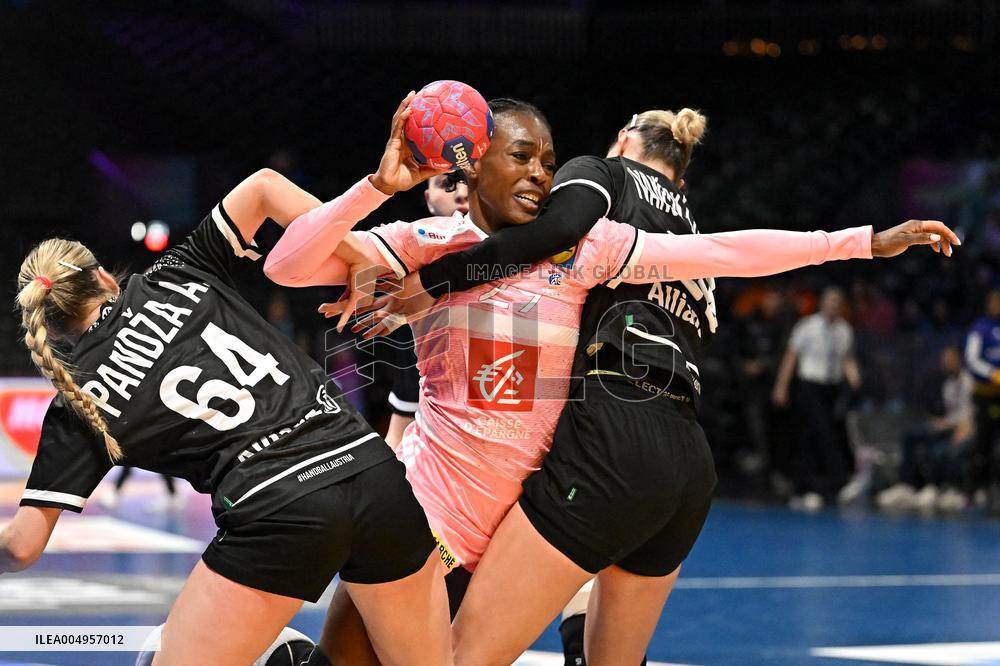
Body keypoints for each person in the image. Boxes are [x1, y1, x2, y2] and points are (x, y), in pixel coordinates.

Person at [265, 94, 957, 664]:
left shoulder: (586, 248)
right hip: (431, 512)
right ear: (472, 166)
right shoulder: (427, 244)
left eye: (548, 161)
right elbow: (286, 267)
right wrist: (378, 187)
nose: (541, 174)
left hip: (518, 525)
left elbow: (724, 251)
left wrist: (860, 242)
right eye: (521, 156)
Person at [0, 159, 451, 665]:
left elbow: (21, 546)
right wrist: (357, 255)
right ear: (104, 276)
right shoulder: (175, 273)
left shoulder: (79, 399)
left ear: (49, 331)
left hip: (277, 507)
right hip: (373, 474)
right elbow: (264, 186)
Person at [384, 174, 469, 448]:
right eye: (447, 184)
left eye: (471, 180)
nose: (462, 193)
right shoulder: (417, 312)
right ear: (428, 200)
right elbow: (399, 430)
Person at [771, 286, 861, 510]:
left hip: (831, 388)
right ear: (822, 303)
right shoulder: (807, 326)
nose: (833, 305)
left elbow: (846, 358)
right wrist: (781, 386)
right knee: (821, 432)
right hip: (809, 387)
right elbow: (791, 356)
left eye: (837, 302)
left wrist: (854, 378)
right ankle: (839, 481)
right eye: (830, 301)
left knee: (815, 436)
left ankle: (806, 489)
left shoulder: (844, 330)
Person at [877, 345, 974, 512]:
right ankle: (907, 486)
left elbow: (969, 416)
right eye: (944, 360)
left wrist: (959, 428)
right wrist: (941, 422)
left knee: (940, 451)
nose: (946, 363)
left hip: (966, 428)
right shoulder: (948, 384)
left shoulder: (970, 383)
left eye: (950, 359)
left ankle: (943, 489)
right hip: (948, 425)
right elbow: (951, 413)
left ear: (959, 359)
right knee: (910, 436)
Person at [965, 288, 1000, 513]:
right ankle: (973, 491)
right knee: (983, 446)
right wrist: (991, 373)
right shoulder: (980, 328)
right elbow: (971, 359)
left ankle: (995, 490)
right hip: (985, 395)